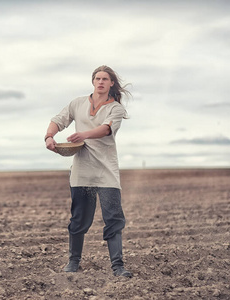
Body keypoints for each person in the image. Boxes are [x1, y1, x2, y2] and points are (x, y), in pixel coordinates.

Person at [44, 65, 133, 278]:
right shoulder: (77, 103)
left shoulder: (116, 109)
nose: (101, 82)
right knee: (79, 219)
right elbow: (58, 120)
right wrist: (49, 136)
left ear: (112, 83)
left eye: (105, 79)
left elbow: (105, 129)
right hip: (82, 173)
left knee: (113, 218)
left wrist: (83, 134)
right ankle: (73, 262)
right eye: (97, 78)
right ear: (93, 81)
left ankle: (118, 266)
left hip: (107, 173)